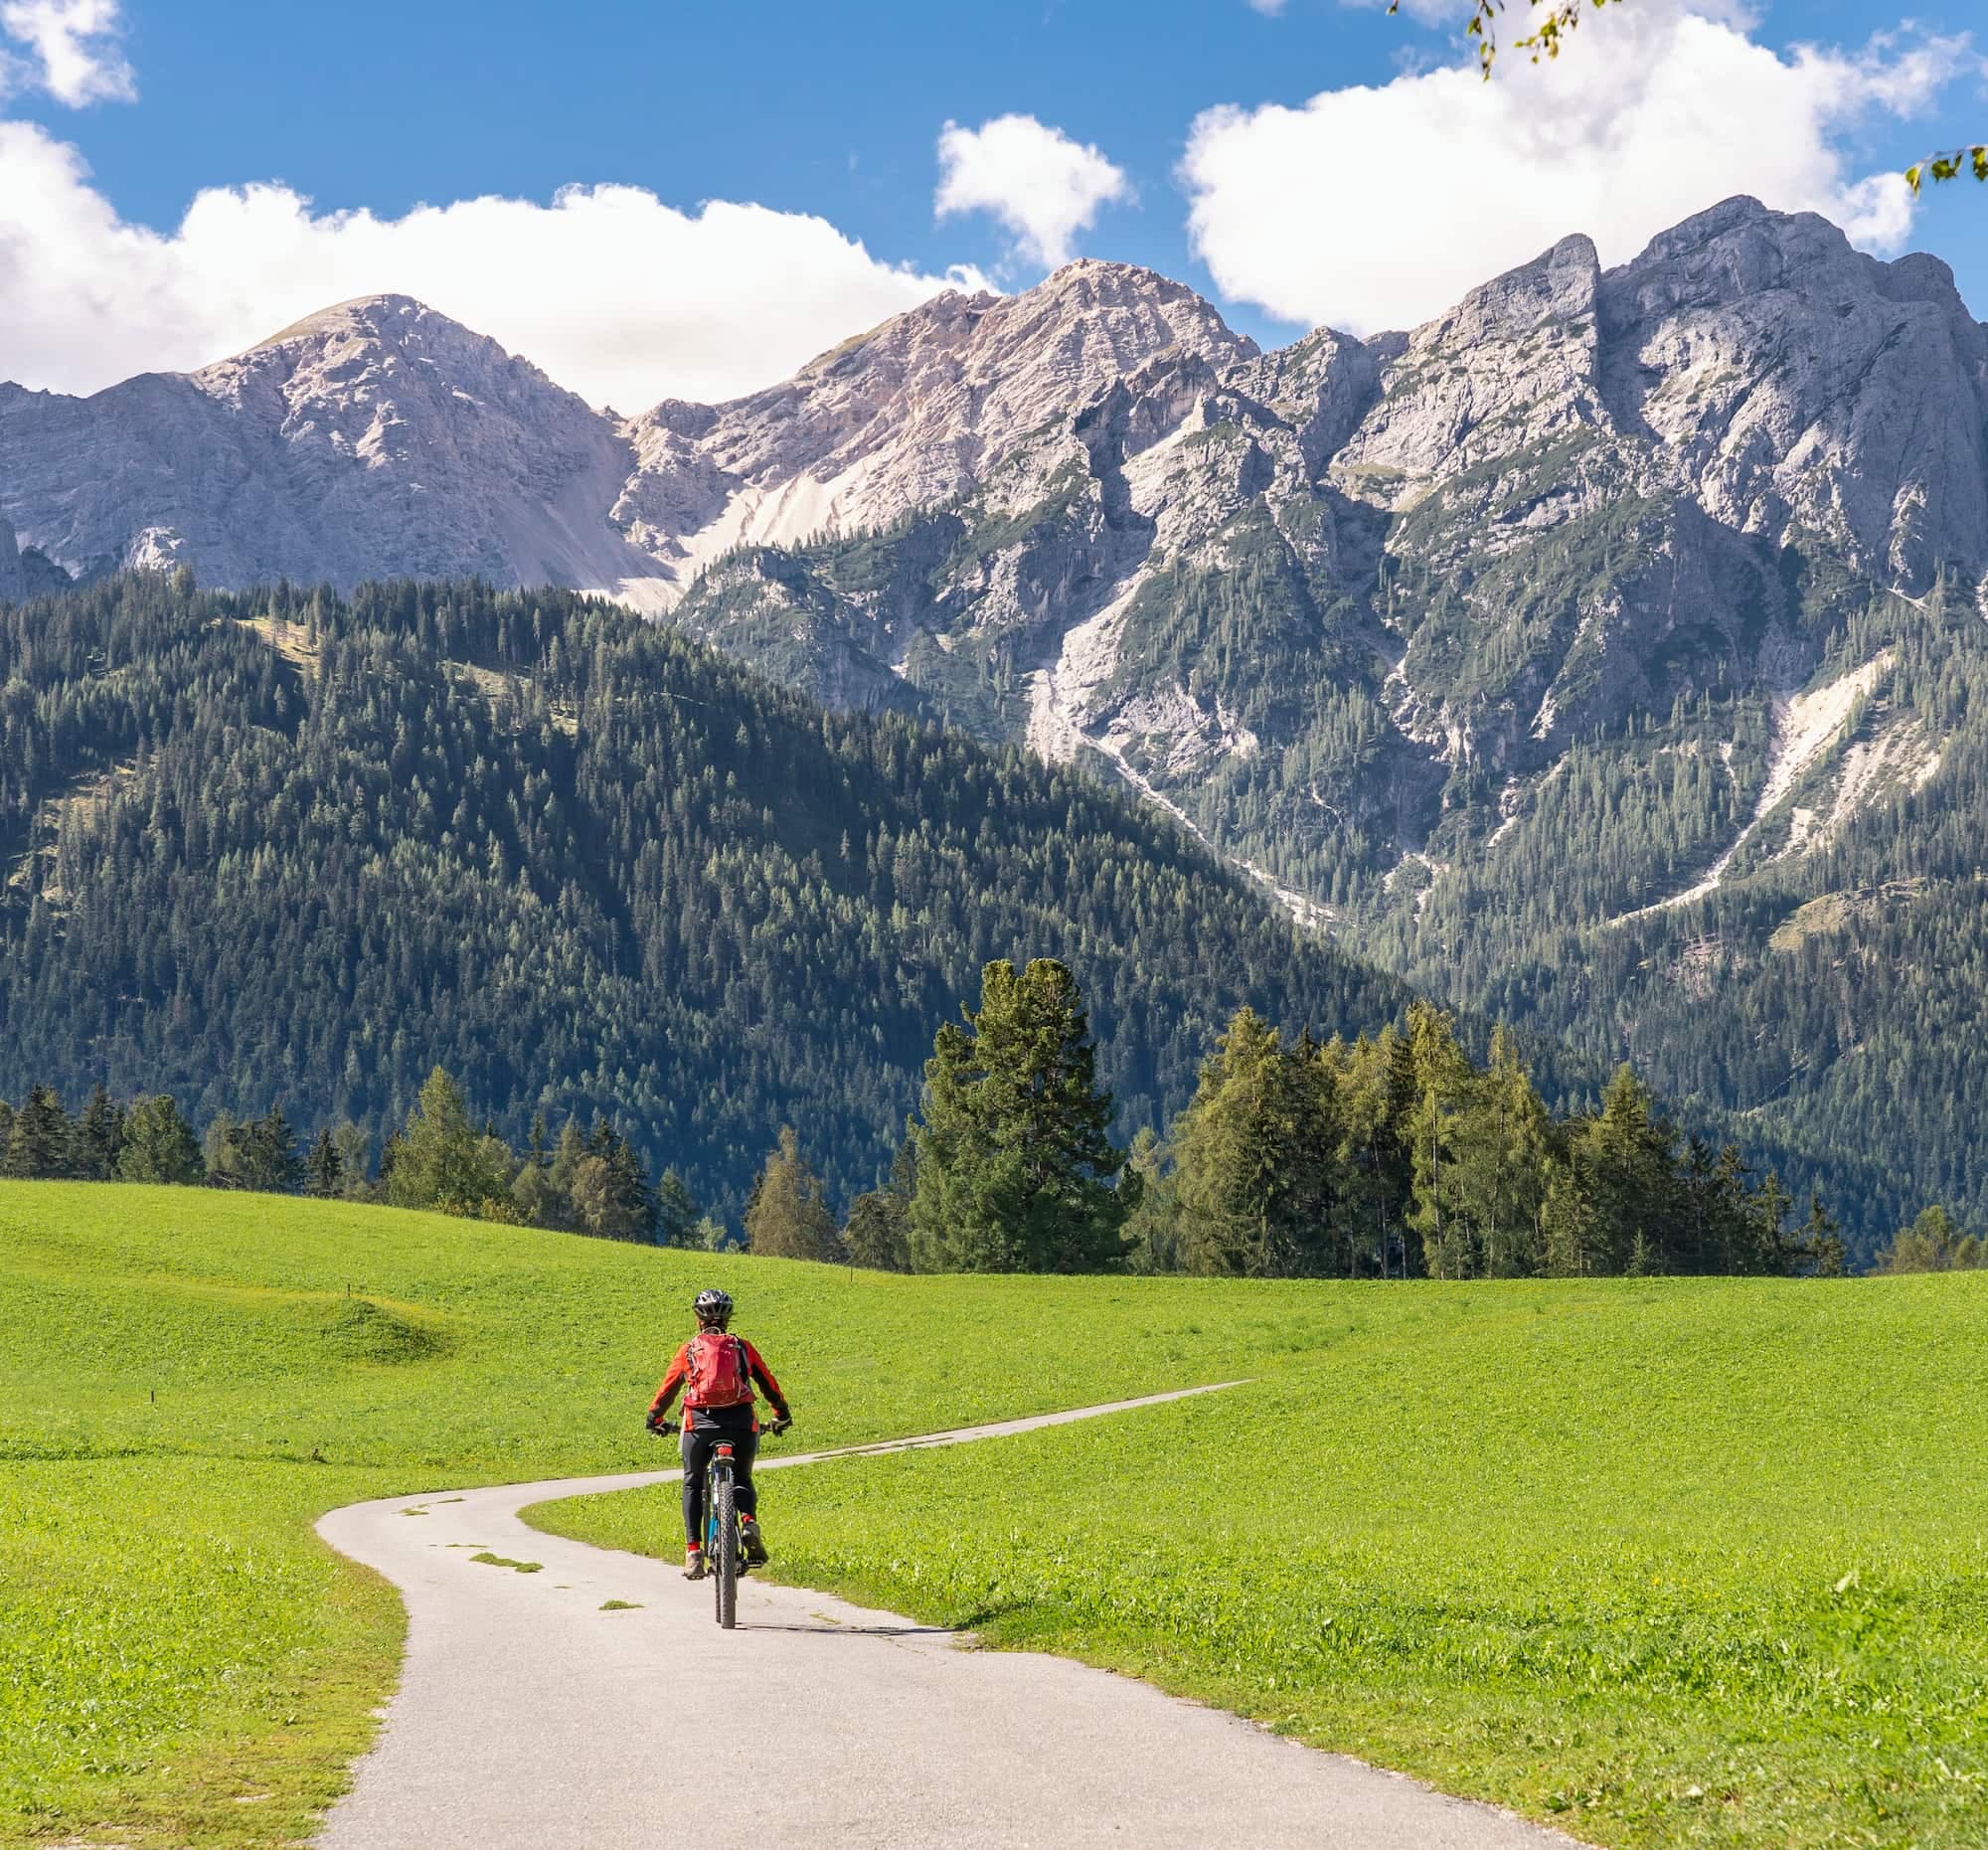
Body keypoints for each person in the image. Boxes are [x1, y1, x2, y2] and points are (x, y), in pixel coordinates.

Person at [645, 1288, 791, 1580]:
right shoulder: (742, 1348)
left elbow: (667, 1389)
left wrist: (655, 1419)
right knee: (743, 1477)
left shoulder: (689, 1350)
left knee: (693, 1483)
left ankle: (693, 1552)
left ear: (698, 1319)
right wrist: (782, 1414)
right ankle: (748, 1522)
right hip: (740, 1423)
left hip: (699, 1424)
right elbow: (768, 1384)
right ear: (728, 1319)